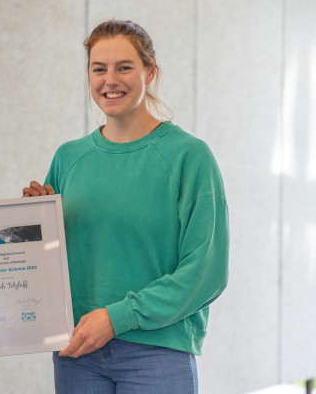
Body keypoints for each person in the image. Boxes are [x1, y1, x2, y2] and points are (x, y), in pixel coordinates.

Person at [23, 19, 229, 393]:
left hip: (158, 351)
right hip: (77, 352)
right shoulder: (68, 158)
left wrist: (117, 318)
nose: (109, 80)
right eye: (98, 69)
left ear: (149, 72)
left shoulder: (188, 156)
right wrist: (32, 228)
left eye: (124, 67)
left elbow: (207, 270)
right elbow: (49, 263)